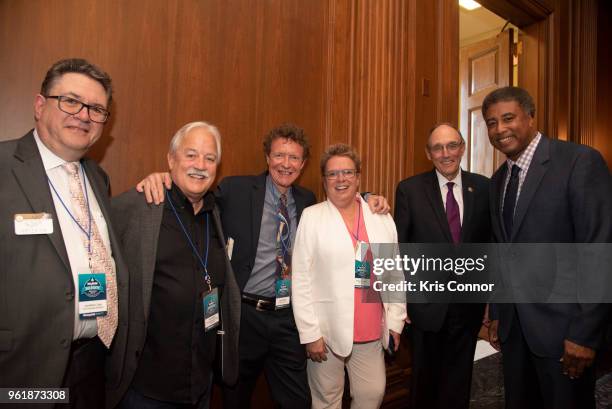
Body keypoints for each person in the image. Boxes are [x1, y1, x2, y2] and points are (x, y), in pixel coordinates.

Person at [136, 124, 390, 409]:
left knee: (298, 400)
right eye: (279, 155)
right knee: (235, 397)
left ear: (303, 164)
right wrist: (165, 178)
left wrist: (367, 198)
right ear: (268, 158)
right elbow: (195, 192)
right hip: (245, 317)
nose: (286, 164)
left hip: (287, 319)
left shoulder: (306, 201)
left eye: (294, 158)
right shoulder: (236, 189)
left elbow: (340, 198)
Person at [0, 58, 128, 409]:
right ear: (40, 106)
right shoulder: (3, 167)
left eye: (97, 109)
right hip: (23, 370)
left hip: (90, 364)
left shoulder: (98, 180)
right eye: (71, 101)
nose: (84, 115)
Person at [484, 86, 612, 409]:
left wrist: (585, 334)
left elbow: (598, 250)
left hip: (564, 334)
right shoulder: (498, 180)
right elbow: (504, 251)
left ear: (530, 116)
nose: (500, 129)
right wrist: (499, 313)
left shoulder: (578, 162)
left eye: (508, 118)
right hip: (516, 336)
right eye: (491, 123)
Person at [110, 122, 240, 408]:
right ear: (171, 159)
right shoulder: (138, 207)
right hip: (147, 389)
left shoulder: (215, 213)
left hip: (200, 385)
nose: (200, 165)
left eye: (210, 158)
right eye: (191, 155)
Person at [292, 143, 406, 409]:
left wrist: (396, 320)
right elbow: (300, 280)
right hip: (326, 333)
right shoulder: (312, 217)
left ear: (358, 177)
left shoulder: (381, 217)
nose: (340, 179)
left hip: (370, 328)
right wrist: (310, 334)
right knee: (325, 401)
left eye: (347, 172)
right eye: (333, 174)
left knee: (372, 395)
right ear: (324, 180)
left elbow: (393, 271)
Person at [394, 123, 490, 409]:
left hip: (468, 306)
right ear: (428, 153)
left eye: (451, 145)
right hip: (425, 308)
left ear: (462, 148)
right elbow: (400, 248)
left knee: (459, 382)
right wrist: (401, 302)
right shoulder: (409, 190)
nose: (445, 153)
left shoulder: (484, 187)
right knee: (424, 384)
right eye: (437, 147)